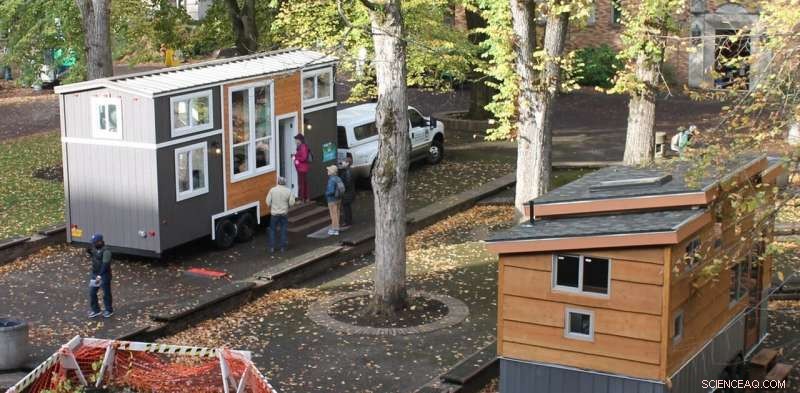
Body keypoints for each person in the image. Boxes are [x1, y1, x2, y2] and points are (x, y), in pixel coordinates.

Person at [266, 177, 295, 253]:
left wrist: (272, 206)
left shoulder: (272, 190)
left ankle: (272, 247)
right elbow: (292, 203)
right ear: (285, 183)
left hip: (274, 214)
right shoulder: (288, 191)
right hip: (283, 214)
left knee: (272, 230)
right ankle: (282, 248)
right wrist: (288, 205)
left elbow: (268, 202)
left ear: (278, 182)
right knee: (283, 230)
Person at [87, 234, 113, 318]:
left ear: (100, 242)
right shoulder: (94, 249)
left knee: (106, 293)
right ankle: (96, 310)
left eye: (94, 243)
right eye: (93, 243)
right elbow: (93, 256)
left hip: (104, 275)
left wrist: (100, 275)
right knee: (92, 292)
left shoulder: (106, 251)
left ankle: (109, 310)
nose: (93, 244)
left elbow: (105, 264)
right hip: (95, 274)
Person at [325, 165, 344, 236]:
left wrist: (326, 193)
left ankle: (335, 229)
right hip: (339, 198)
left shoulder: (331, 180)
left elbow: (331, 191)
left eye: (328, 170)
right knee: (337, 213)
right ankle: (336, 227)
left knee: (333, 214)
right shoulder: (338, 178)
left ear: (332, 172)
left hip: (332, 200)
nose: (327, 171)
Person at [338, 153, 356, 227]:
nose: (342, 163)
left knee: (346, 207)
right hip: (350, 192)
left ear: (347, 163)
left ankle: (348, 221)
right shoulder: (348, 171)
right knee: (347, 207)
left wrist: (342, 187)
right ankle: (349, 220)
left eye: (344, 162)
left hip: (347, 193)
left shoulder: (347, 172)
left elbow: (347, 183)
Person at [293, 134, 311, 202]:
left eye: (296, 140)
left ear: (299, 140)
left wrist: (296, 158)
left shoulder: (303, 146)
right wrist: (295, 155)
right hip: (302, 168)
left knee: (301, 184)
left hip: (302, 168)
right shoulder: (302, 146)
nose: (295, 141)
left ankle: (301, 199)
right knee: (304, 183)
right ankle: (306, 198)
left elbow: (304, 157)